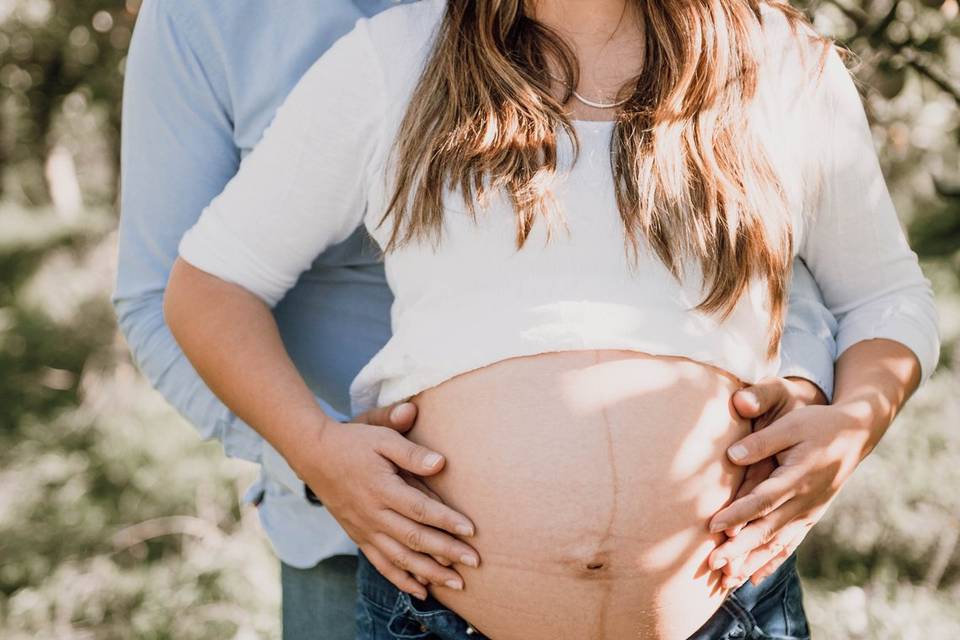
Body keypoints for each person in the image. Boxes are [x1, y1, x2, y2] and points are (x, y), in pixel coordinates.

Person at [117, 1, 934, 639]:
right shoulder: (395, 61)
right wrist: (316, 449)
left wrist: (851, 424)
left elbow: (884, 293)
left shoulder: (781, 65)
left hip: (728, 608)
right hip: (434, 612)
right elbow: (205, 286)